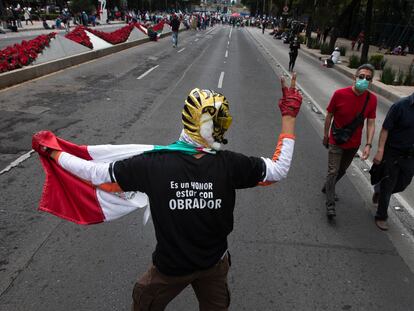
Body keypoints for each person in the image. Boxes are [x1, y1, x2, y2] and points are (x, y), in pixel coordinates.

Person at [33, 76, 303, 310]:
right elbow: (279, 169)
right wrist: (289, 117)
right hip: (214, 265)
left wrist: (55, 153)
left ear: (187, 119)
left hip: (170, 269)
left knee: (143, 299)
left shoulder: (153, 164)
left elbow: (96, 174)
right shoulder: (231, 164)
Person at [322, 64, 377, 218]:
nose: (364, 80)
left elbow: (371, 122)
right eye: (361, 76)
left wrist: (368, 144)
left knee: (342, 170)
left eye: (368, 78)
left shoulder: (371, 99)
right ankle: (330, 204)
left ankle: (327, 186)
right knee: (333, 170)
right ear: (355, 77)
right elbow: (329, 116)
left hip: (353, 144)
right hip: (336, 139)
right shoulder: (340, 94)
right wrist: (326, 135)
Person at [371, 93, 414, 230]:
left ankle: (379, 190)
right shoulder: (400, 106)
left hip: (410, 156)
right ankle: (381, 216)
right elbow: (385, 129)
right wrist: (380, 150)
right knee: (388, 185)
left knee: (402, 184)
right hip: (393, 153)